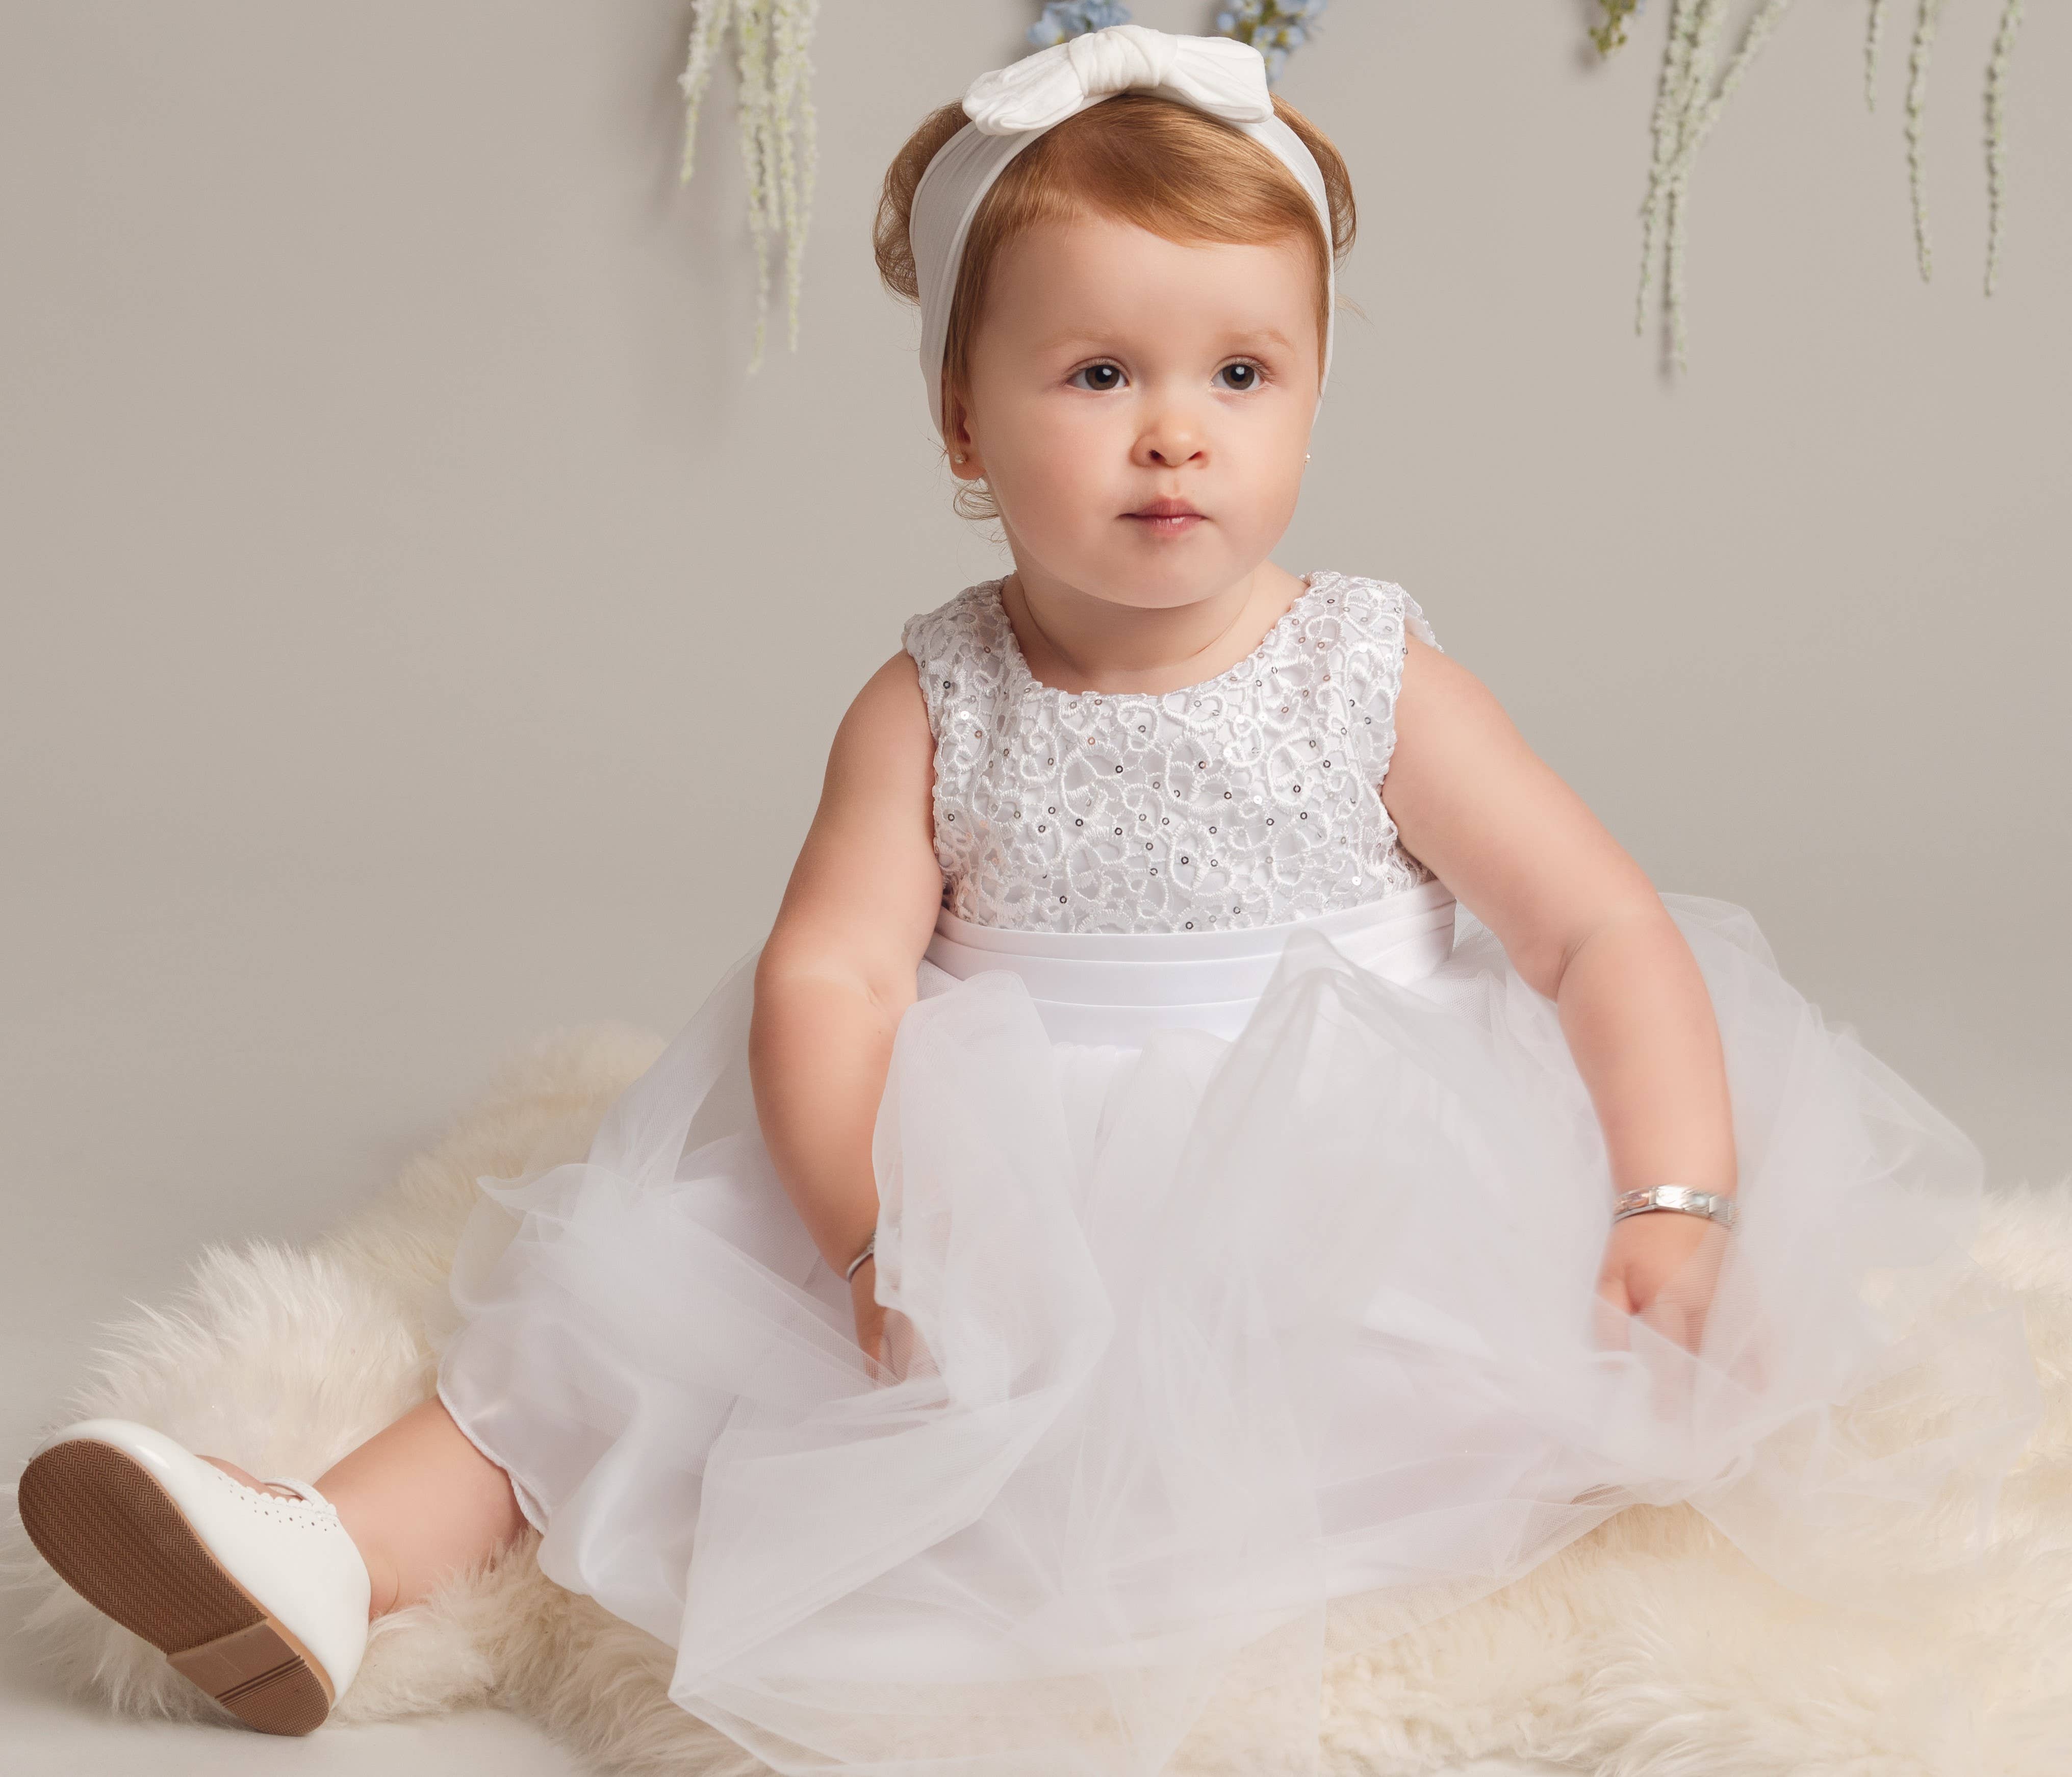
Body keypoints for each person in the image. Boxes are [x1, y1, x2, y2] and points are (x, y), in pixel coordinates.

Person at [17, 24, 2042, 1775]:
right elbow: (833, 977)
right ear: (963, 421)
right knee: (620, 1291)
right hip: (991, 1153)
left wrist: (1669, 1194)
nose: (1174, 429)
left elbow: (1597, 932)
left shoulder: (1369, 672)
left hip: (1344, 1152)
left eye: (1240, 371)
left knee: (1367, 1398)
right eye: (1095, 373)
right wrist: (865, 1220)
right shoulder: (933, 697)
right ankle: (323, 1547)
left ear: (1310, 401)